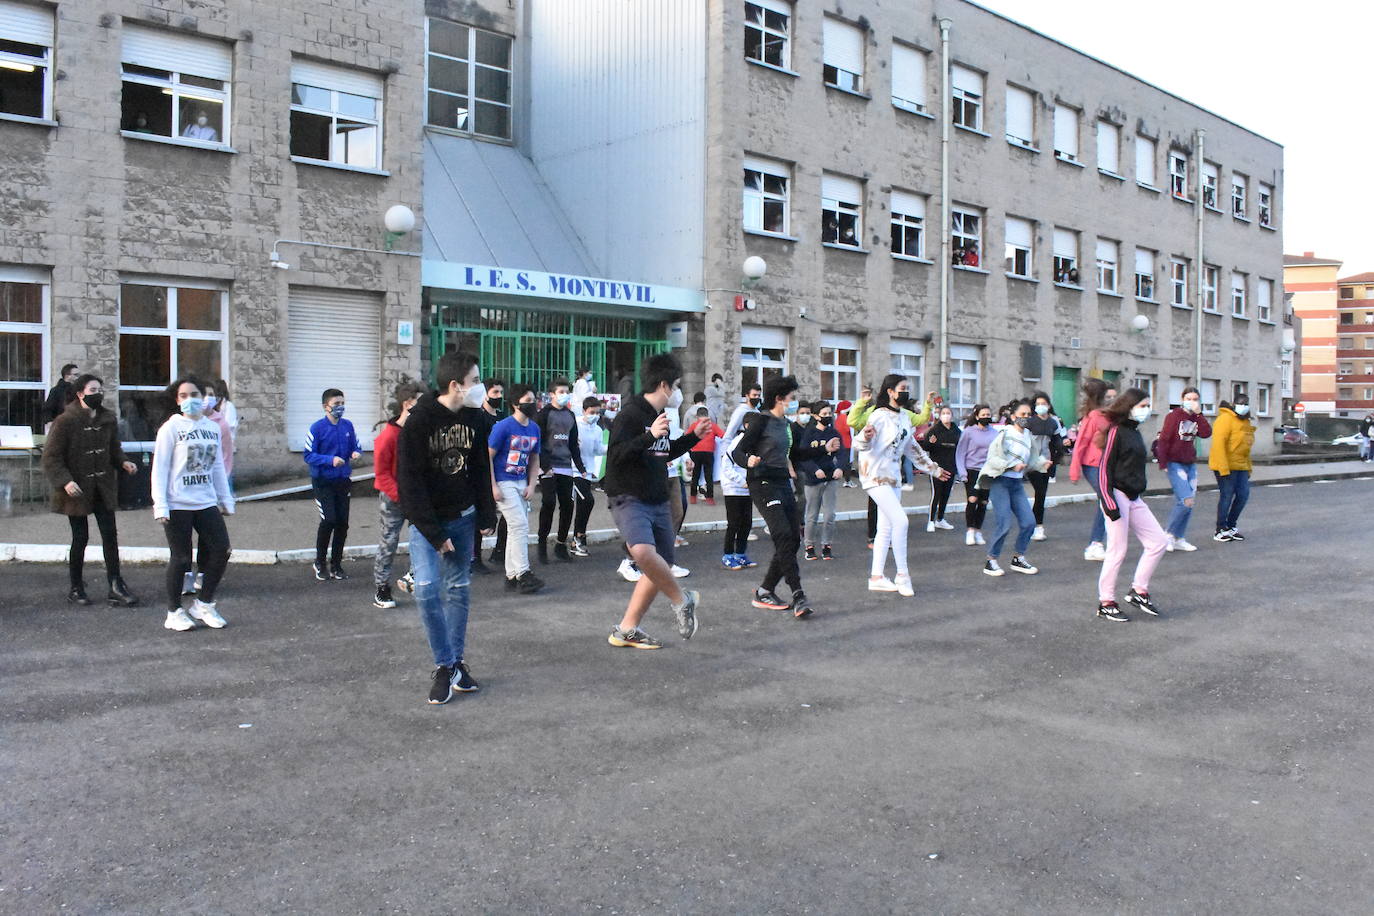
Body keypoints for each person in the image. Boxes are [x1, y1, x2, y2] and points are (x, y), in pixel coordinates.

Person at [396, 351, 497, 704]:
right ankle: (445, 665)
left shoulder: (473, 419)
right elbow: (409, 483)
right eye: (475, 381)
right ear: (455, 385)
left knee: (459, 590)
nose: (480, 387)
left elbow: (480, 469)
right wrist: (435, 534)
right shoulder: (419, 421)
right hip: (430, 525)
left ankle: (455, 663)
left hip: (464, 517)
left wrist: (487, 514)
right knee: (425, 589)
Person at [602, 352, 707, 648]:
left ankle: (627, 629)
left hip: (657, 497)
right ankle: (682, 599)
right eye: (676, 385)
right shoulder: (631, 415)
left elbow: (662, 452)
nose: (678, 392)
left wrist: (691, 437)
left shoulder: (659, 417)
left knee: (660, 563)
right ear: (664, 385)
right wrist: (648, 436)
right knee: (643, 553)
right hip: (628, 496)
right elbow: (617, 455)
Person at [732, 375, 839, 618]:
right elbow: (737, 451)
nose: (794, 403)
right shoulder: (761, 421)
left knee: (793, 539)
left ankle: (765, 590)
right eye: (791, 398)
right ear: (779, 399)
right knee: (782, 534)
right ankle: (798, 594)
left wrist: (824, 448)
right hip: (762, 482)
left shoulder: (786, 425)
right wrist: (747, 460)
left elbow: (797, 453)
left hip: (782, 481)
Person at [41, 373, 139, 607]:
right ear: (80, 393)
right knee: (80, 537)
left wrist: (123, 461)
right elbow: (51, 457)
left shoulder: (107, 418)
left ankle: (116, 584)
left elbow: (114, 448)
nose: (98, 394)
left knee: (110, 536)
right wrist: (65, 481)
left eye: (100, 390)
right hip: (76, 489)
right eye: (93, 390)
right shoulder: (65, 420)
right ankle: (76, 587)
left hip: (102, 487)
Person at [151, 376, 234, 631]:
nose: (190, 400)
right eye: (183, 396)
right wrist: (160, 504)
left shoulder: (212, 427)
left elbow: (217, 465)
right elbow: (160, 467)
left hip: (205, 501)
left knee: (222, 550)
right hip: (178, 503)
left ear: (204, 397)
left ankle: (204, 603)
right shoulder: (171, 428)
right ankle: (174, 611)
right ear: (177, 401)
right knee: (181, 558)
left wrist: (225, 498)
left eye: (194, 395)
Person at [856, 376, 950, 597]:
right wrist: (864, 437)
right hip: (874, 476)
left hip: (893, 478)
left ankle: (876, 577)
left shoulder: (905, 417)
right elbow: (860, 443)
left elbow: (912, 448)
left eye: (908, 389)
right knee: (901, 521)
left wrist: (933, 468)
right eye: (903, 389)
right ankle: (902, 575)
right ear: (890, 391)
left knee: (886, 528)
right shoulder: (878, 415)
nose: (906, 392)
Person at [1092, 389, 1169, 622]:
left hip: (1134, 497)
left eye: (1148, 405)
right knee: (1117, 550)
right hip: (1117, 495)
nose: (1146, 410)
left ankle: (1138, 591)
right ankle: (1106, 602)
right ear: (1129, 406)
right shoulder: (1116, 432)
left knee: (1158, 542)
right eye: (1143, 405)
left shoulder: (1134, 432)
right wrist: (1109, 503)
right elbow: (1104, 469)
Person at [977, 399, 1051, 577]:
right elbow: (992, 458)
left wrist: (1042, 463)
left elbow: (1033, 458)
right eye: (1022, 415)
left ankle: (1018, 557)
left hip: (1016, 484)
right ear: (1013, 416)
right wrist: (1010, 466)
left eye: (1028, 415)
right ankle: (991, 560)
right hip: (1001, 481)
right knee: (1004, 523)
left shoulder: (1028, 436)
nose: (1026, 418)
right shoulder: (1004, 433)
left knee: (1029, 522)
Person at [371, 379, 426, 609]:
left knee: (422, 541)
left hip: (414, 497)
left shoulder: (419, 433)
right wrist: (401, 495)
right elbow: (381, 474)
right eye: (420, 404)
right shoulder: (388, 437)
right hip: (393, 499)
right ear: (407, 404)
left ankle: (415, 580)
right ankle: (381, 588)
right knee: (389, 542)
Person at [487, 384, 544, 593]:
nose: (532, 404)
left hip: (522, 482)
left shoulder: (534, 428)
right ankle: (523, 573)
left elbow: (535, 458)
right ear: (515, 404)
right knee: (519, 526)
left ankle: (511, 575)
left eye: (533, 399)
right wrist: (493, 486)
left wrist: (532, 484)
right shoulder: (503, 427)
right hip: (504, 481)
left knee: (516, 528)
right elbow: (488, 456)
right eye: (527, 401)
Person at [304, 387, 361, 581]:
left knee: (342, 523)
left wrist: (355, 453)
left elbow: (356, 445)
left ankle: (336, 565)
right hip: (323, 482)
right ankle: (320, 562)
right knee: (329, 520)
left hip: (343, 481)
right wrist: (330, 460)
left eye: (343, 404)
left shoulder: (348, 426)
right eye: (336, 404)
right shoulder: (317, 428)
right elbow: (308, 455)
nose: (340, 407)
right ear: (325, 406)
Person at [535, 378, 587, 563]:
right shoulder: (543, 414)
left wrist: (580, 467)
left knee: (567, 505)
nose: (565, 395)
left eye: (567, 392)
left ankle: (560, 544)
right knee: (548, 502)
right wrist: (545, 466)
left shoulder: (570, 415)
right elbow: (539, 442)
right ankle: (541, 545)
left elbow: (573, 444)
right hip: (548, 466)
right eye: (561, 392)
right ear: (552, 395)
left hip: (566, 466)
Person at [1156, 386, 1211, 552]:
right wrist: (1163, 462)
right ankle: (1168, 535)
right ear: (1182, 400)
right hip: (1174, 462)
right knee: (1185, 500)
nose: (1192, 402)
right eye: (1188, 399)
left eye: (1195, 399)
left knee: (1189, 502)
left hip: (1189, 463)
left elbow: (1206, 433)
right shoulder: (1173, 416)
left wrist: (1199, 414)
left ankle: (1179, 537)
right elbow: (1164, 440)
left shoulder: (1196, 418)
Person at [1069, 379, 1115, 561]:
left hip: (1106, 465)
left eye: (1114, 396)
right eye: (1108, 396)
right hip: (1092, 465)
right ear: (1100, 397)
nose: (1112, 399)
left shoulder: (1108, 414)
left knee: (1106, 501)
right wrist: (1074, 471)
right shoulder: (1093, 416)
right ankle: (1095, 544)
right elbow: (1081, 443)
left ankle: (1100, 542)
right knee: (1106, 499)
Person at [799, 400, 845, 561]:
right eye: (824, 414)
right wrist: (815, 469)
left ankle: (827, 545)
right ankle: (809, 545)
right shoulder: (809, 434)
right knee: (811, 515)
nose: (827, 416)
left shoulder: (834, 434)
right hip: (813, 480)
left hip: (830, 479)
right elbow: (803, 457)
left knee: (829, 515)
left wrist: (840, 467)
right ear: (815, 416)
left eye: (829, 413)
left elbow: (842, 453)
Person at [1209, 393, 1256, 542]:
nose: (1244, 406)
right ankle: (1220, 529)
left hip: (1240, 466)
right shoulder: (1225, 419)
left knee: (1243, 495)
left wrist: (1248, 468)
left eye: (1246, 403)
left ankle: (1231, 526)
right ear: (1234, 404)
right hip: (1225, 465)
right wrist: (1223, 469)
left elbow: (1246, 448)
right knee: (1227, 495)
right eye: (1241, 403)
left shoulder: (1245, 421)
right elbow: (1219, 445)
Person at [474, 378, 507, 574]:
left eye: (501, 393)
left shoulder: (503, 417)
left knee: (508, 513)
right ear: (485, 394)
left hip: (503, 469)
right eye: (495, 393)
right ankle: (474, 557)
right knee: (481, 515)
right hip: (484, 470)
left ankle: (500, 551)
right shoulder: (479, 417)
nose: (499, 397)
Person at [1025, 392, 1066, 542]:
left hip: (1046, 462)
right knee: (1039, 492)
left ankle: (1037, 526)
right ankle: (1035, 525)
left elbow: (1057, 442)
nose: (1041, 406)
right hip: (1031, 462)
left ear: (1049, 405)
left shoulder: (1053, 422)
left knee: (1041, 495)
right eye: (1038, 404)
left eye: (1044, 404)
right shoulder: (1029, 421)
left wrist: (1054, 460)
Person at [955, 404, 997, 546]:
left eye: (988, 415)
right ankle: (970, 531)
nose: (986, 417)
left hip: (987, 471)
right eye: (983, 415)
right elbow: (960, 453)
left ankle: (978, 531)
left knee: (983, 502)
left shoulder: (994, 432)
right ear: (977, 416)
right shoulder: (968, 432)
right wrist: (962, 473)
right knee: (972, 499)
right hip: (971, 470)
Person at [571, 395, 608, 557]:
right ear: (584, 411)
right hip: (573, 471)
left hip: (587, 472)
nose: (595, 415)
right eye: (592, 412)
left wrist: (612, 447)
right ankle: (577, 538)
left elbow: (598, 450)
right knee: (587, 500)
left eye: (597, 412)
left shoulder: (598, 429)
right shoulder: (575, 426)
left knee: (584, 504)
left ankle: (579, 538)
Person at [718, 414, 756, 571]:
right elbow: (726, 466)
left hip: (747, 488)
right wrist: (741, 481)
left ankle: (740, 554)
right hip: (733, 488)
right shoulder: (737, 442)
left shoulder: (754, 442)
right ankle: (727, 555)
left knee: (746, 523)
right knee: (734, 523)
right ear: (747, 425)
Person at [923, 403, 961, 533]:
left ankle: (940, 519)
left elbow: (960, 448)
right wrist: (930, 443)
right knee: (937, 494)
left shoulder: (957, 431)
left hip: (951, 466)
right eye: (943, 413)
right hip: (937, 467)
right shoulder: (934, 430)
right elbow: (925, 447)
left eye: (948, 413)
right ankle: (931, 521)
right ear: (939, 415)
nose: (946, 416)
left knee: (946, 494)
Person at [688, 406, 724, 503]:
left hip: (695, 452)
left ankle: (693, 496)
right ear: (708, 415)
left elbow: (687, 437)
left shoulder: (694, 425)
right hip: (708, 452)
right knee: (709, 476)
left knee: (696, 475)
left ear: (697, 416)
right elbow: (722, 435)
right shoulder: (712, 425)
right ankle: (710, 498)